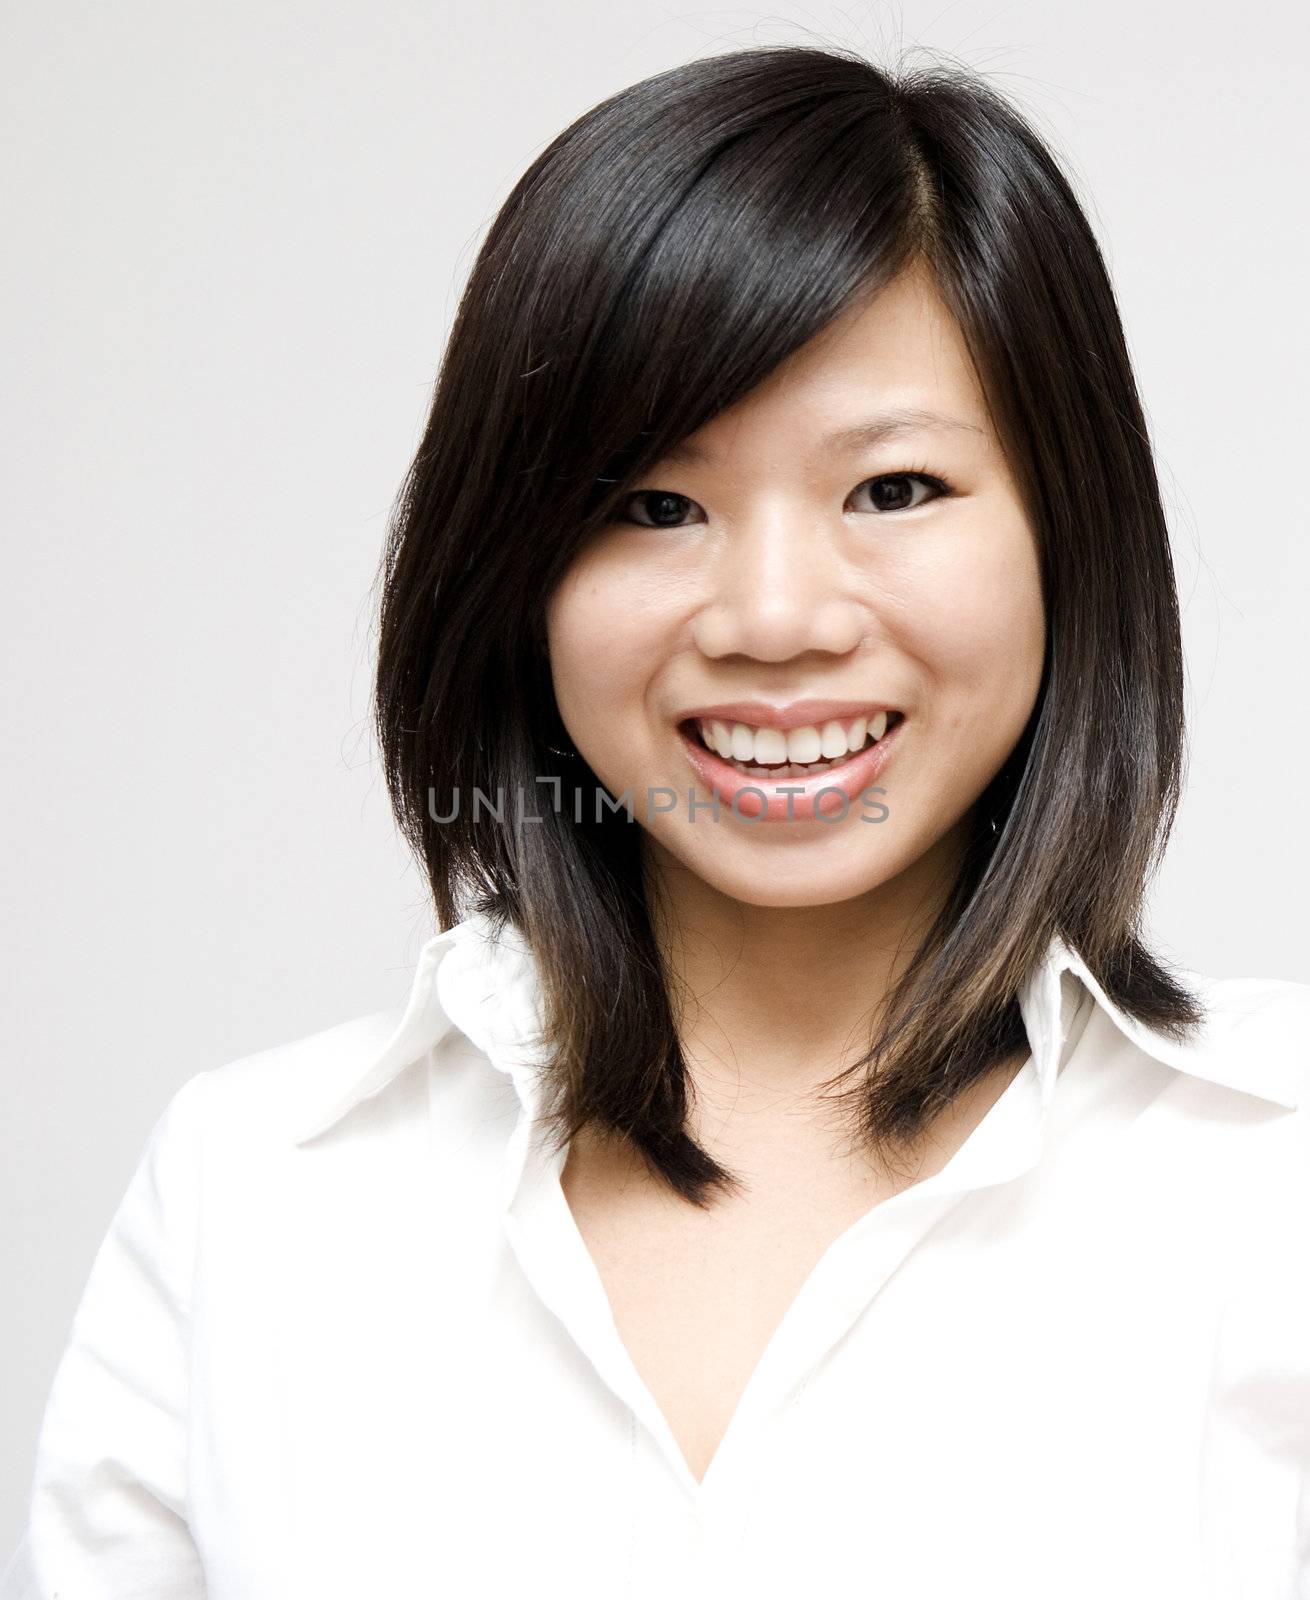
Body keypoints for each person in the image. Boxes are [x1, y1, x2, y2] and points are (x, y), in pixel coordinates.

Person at [5, 41, 1308, 1600]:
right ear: (515, 573)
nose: (771, 617)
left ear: (1066, 536)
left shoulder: (1273, 1181)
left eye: (891, 489)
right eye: (652, 507)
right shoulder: (257, 1192)